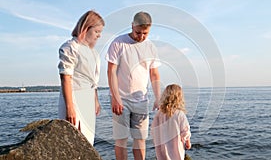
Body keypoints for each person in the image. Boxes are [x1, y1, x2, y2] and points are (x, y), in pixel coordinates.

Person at [106, 11, 161, 160]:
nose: (141, 37)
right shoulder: (118, 43)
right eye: (138, 32)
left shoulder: (151, 47)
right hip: (121, 100)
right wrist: (116, 98)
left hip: (142, 100)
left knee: (140, 139)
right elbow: (111, 71)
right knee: (121, 140)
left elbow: (154, 74)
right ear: (132, 26)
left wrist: (158, 97)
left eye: (145, 33)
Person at [58, 10, 105, 145]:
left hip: (87, 100)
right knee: (73, 143)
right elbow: (66, 78)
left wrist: (95, 100)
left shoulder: (93, 53)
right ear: (86, 28)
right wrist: (70, 107)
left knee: (87, 142)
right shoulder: (71, 47)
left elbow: (93, 81)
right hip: (73, 98)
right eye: (96, 32)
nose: (99, 36)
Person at [151, 84, 191, 160]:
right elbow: (185, 131)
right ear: (179, 98)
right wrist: (188, 142)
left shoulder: (159, 114)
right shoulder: (179, 114)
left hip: (162, 149)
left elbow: (154, 130)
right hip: (176, 149)